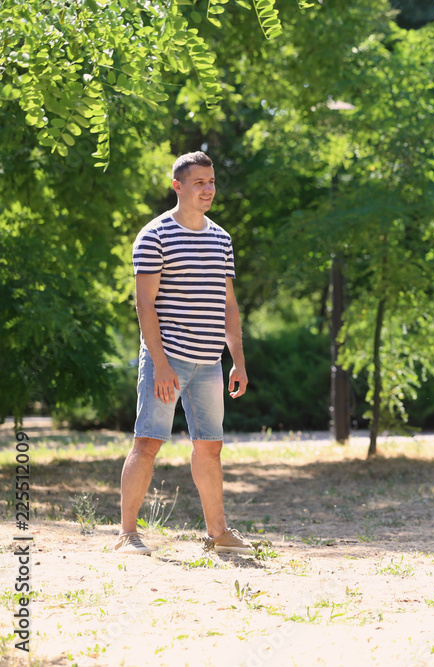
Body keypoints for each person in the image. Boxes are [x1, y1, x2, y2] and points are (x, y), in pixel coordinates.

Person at [115, 151, 253, 556]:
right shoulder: (154, 235)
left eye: (211, 182)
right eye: (199, 183)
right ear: (178, 186)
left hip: (209, 362)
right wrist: (158, 364)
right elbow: (144, 303)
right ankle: (127, 534)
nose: (208, 190)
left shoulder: (221, 237)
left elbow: (228, 303)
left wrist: (237, 360)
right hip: (168, 359)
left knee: (210, 445)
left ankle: (218, 533)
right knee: (148, 442)